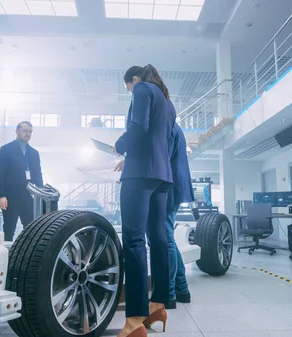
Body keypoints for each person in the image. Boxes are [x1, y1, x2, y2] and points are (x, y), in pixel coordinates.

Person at [114, 64, 175, 337]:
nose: (130, 91)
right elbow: (164, 140)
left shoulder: (141, 89)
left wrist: (119, 145)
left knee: (134, 240)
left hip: (139, 174)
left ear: (134, 79)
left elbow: (138, 126)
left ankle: (134, 320)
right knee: (158, 238)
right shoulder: (167, 102)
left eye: (128, 87)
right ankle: (158, 304)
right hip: (162, 176)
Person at [0, 121, 43, 241]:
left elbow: (37, 174)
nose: (28, 134)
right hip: (10, 197)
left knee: (31, 228)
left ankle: (27, 255)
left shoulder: (34, 153)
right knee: (9, 228)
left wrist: (41, 193)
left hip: (28, 196)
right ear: (17, 131)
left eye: (30, 132)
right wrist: (1, 195)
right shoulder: (6, 150)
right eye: (25, 131)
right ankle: (7, 256)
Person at [163, 120, 194, 309]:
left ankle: (169, 294)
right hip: (173, 186)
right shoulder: (173, 125)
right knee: (169, 240)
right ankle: (181, 290)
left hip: (168, 188)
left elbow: (160, 158)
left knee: (164, 240)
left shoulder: (166, 125)